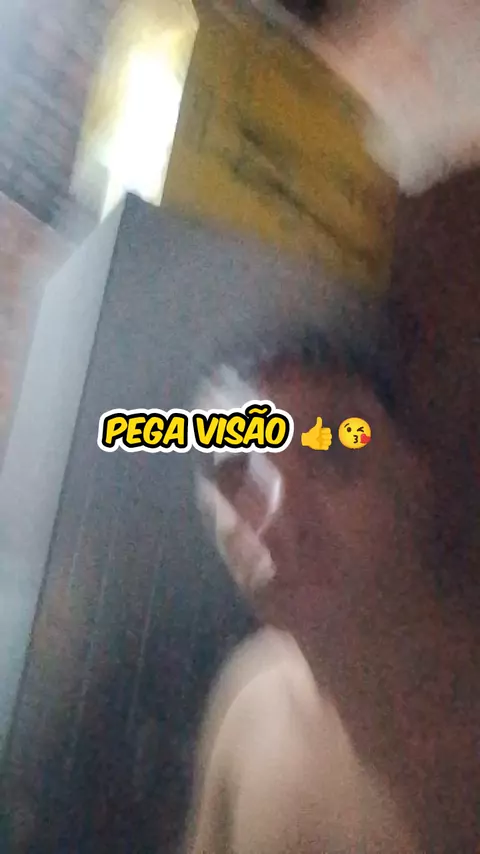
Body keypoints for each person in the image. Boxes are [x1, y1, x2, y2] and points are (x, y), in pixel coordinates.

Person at [186, 325, 480, 854]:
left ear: (416, 475)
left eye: (333, 458)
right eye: (236, 471)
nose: (280, 519)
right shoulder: (249, 702)